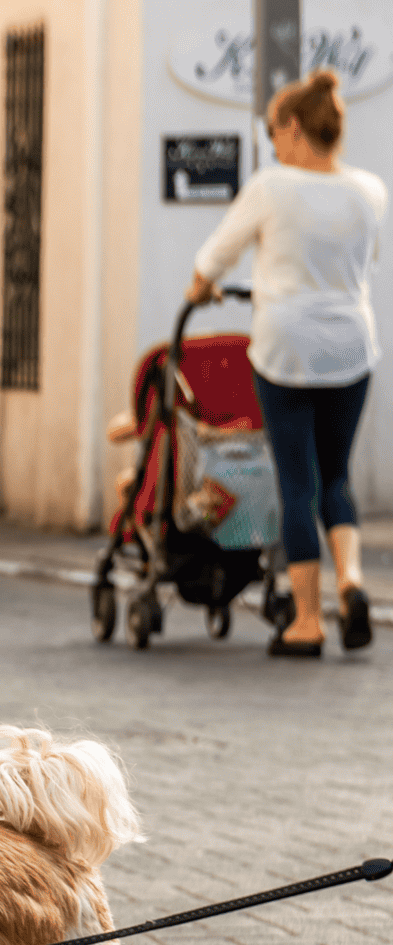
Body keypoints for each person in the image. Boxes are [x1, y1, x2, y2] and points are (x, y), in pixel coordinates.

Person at [185, 70, 387, 657]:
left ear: (294, 126)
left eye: (273, 130)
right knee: (336, 478)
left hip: (287, 350)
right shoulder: (370, 190)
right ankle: (350, 583)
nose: (271, 142)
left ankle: (307, 622)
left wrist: (202, 289)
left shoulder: (272, 187)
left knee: (297, 483)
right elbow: (358, 266)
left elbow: (214, 259)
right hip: (352, 347)